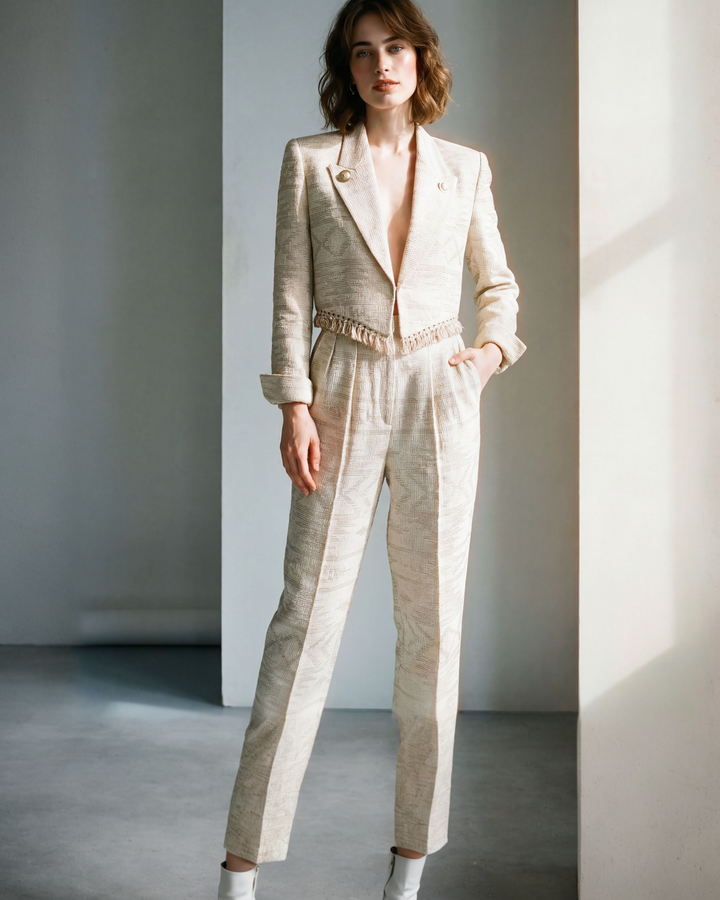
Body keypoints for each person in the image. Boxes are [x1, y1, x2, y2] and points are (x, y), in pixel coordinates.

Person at [217, 1, 527, 897]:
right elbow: (286, 295)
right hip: (342, 384)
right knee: (301, 628)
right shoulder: (312, 164)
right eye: (363, 53)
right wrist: (295, 405)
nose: (381, 65)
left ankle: (409, 871)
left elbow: (497, 283)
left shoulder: (465, 169)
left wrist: (490, 352)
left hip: (440, 389)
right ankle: (241, 872)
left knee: (434, 636)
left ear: (420, 58)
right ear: (346, 70)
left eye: (396, 48)